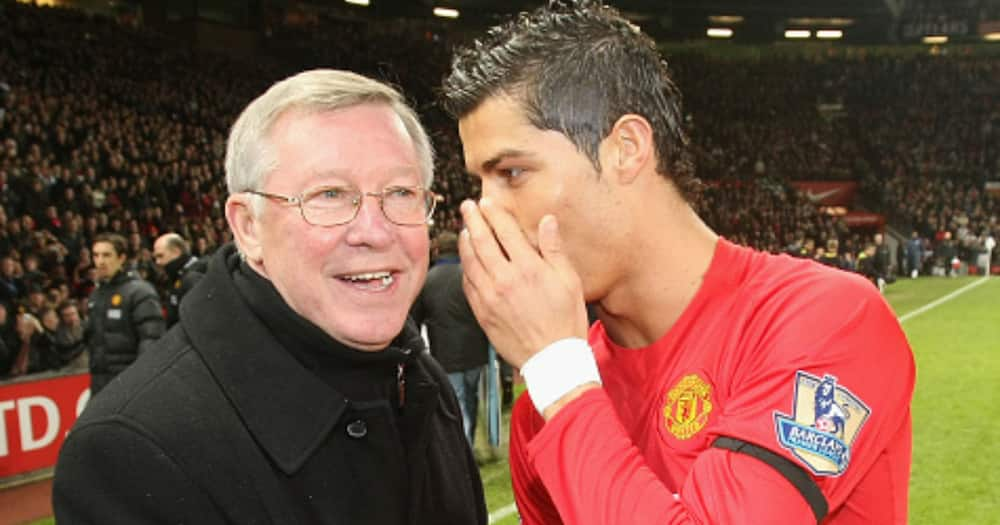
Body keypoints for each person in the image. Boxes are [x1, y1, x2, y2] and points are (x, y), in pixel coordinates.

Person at [442, 2, 915, 524]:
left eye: (511, 172)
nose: (484, 212)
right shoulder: (543, 411)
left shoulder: (824, 318)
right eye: (476, 184)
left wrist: (558, 372)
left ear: (626, 148)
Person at [54, 69, 487, 524]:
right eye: (330, 194)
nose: (375, 231)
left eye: (400, 192)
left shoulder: (421, 383)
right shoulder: (131, 452)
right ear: (248, 226)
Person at [412, 231, 490, 447]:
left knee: (458, 402)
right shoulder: (471, 276)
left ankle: (464, 448)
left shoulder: (426, 281)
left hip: (445, 353)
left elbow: (414, 320)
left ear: (436, 250)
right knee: (471, 401)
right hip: (476, 351)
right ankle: (468, 444)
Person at [81, 233, 165, 394]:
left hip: (130, 384)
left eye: (107, 255)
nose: (100, 261)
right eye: (96, 255)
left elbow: (151, 339)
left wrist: (141, 381)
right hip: (100, 384)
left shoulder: (140, 292)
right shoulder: (96, 295)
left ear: (121, 258)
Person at [152, 232, 207, 327]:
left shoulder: (193, 277)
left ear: (176, 252)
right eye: (155, 258)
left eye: (160, 256)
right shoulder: (177, 276)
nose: (157, 262)